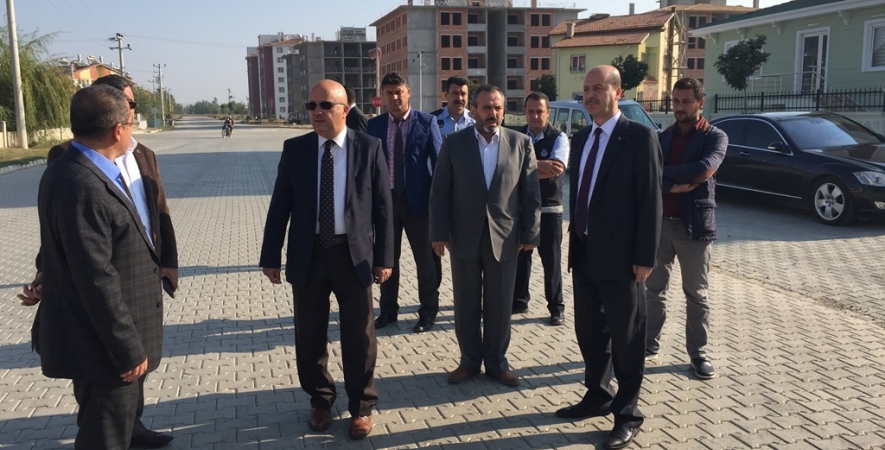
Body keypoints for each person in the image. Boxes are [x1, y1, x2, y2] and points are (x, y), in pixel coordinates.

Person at [20, 74, 178, 449]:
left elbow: (156, 216)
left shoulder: (82, 169)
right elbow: (96, 276)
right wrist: (126, 347)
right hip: (103, 334)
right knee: (104, 428)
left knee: (115, 420)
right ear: (117, 129)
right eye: (130, 115)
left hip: (124, 312)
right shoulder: (82, 181)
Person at [259, 80, 393, 440]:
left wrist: (385, 258)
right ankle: (320, 399)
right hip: (310, 255)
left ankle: (361, 406)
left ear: (344, 110)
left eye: (325, 105)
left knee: (359, 335)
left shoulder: (368, 147)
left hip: (354, 255)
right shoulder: (296, 149)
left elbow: (383, 208)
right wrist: (270, 255)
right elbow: (280, 205)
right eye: (311, 105)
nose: (316, 112)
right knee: (309, 334)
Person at [558, 65, 662, 450]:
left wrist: (645, 256)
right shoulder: (582, 137)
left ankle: (627, 414)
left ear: (618, 92)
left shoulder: (639, 137)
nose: (589, 95)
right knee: (590, 332)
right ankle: (598, 395)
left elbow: (650, 200)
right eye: (586, 89)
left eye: (598, 88)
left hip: (623, 259)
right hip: (584, 251)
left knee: (627, 338)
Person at [429, 84, 540, 387]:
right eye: (487, 107)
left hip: (505, 237)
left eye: (498, 108)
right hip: (463, 236)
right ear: (474, 110)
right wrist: (438, 233)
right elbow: (440, 192)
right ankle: (469, 361)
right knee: (466, 303)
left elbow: (531, 192)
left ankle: (496, 362)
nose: (493, 113)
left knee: (500, 305)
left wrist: (531, 232)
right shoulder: (454, 143)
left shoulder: (521, 143)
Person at [645, 77, 727, 380]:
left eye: (686, 102)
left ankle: (698, 354)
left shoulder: (714, 137)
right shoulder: (661, 137)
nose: (679, 107)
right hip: (660, 225)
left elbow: (704, 169)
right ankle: (648, 344)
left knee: (696, 294)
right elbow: (648, 174)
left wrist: (665, 176)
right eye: (676, 101)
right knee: (653, 291)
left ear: (700, 103)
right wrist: (673, 184)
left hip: (695, 227)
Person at [366, 72, 443, 333]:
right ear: (383, 96)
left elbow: (439, 165)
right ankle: (388, 310)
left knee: (426, 260)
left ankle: (428, 311)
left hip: (418, 204)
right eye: (389, 93)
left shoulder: (427, 122)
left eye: (399, 91)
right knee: (387, 258)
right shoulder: (374, 126)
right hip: (386, 203)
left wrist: (438, 204)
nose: (395, 97)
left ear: (408, 92)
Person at [512, 92, 569, 326]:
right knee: (520, 257)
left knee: (551, 260)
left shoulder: (559, 138)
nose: (535, 116)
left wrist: (523, 167)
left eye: (540, 111)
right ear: (525, 113)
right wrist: (539, 166)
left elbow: (557, 169)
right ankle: (519, 301)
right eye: (531, 111)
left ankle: (556, 307)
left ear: (548, 113)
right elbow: (506, 167)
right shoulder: (515, 137)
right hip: (522, 208)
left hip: (550, 209)